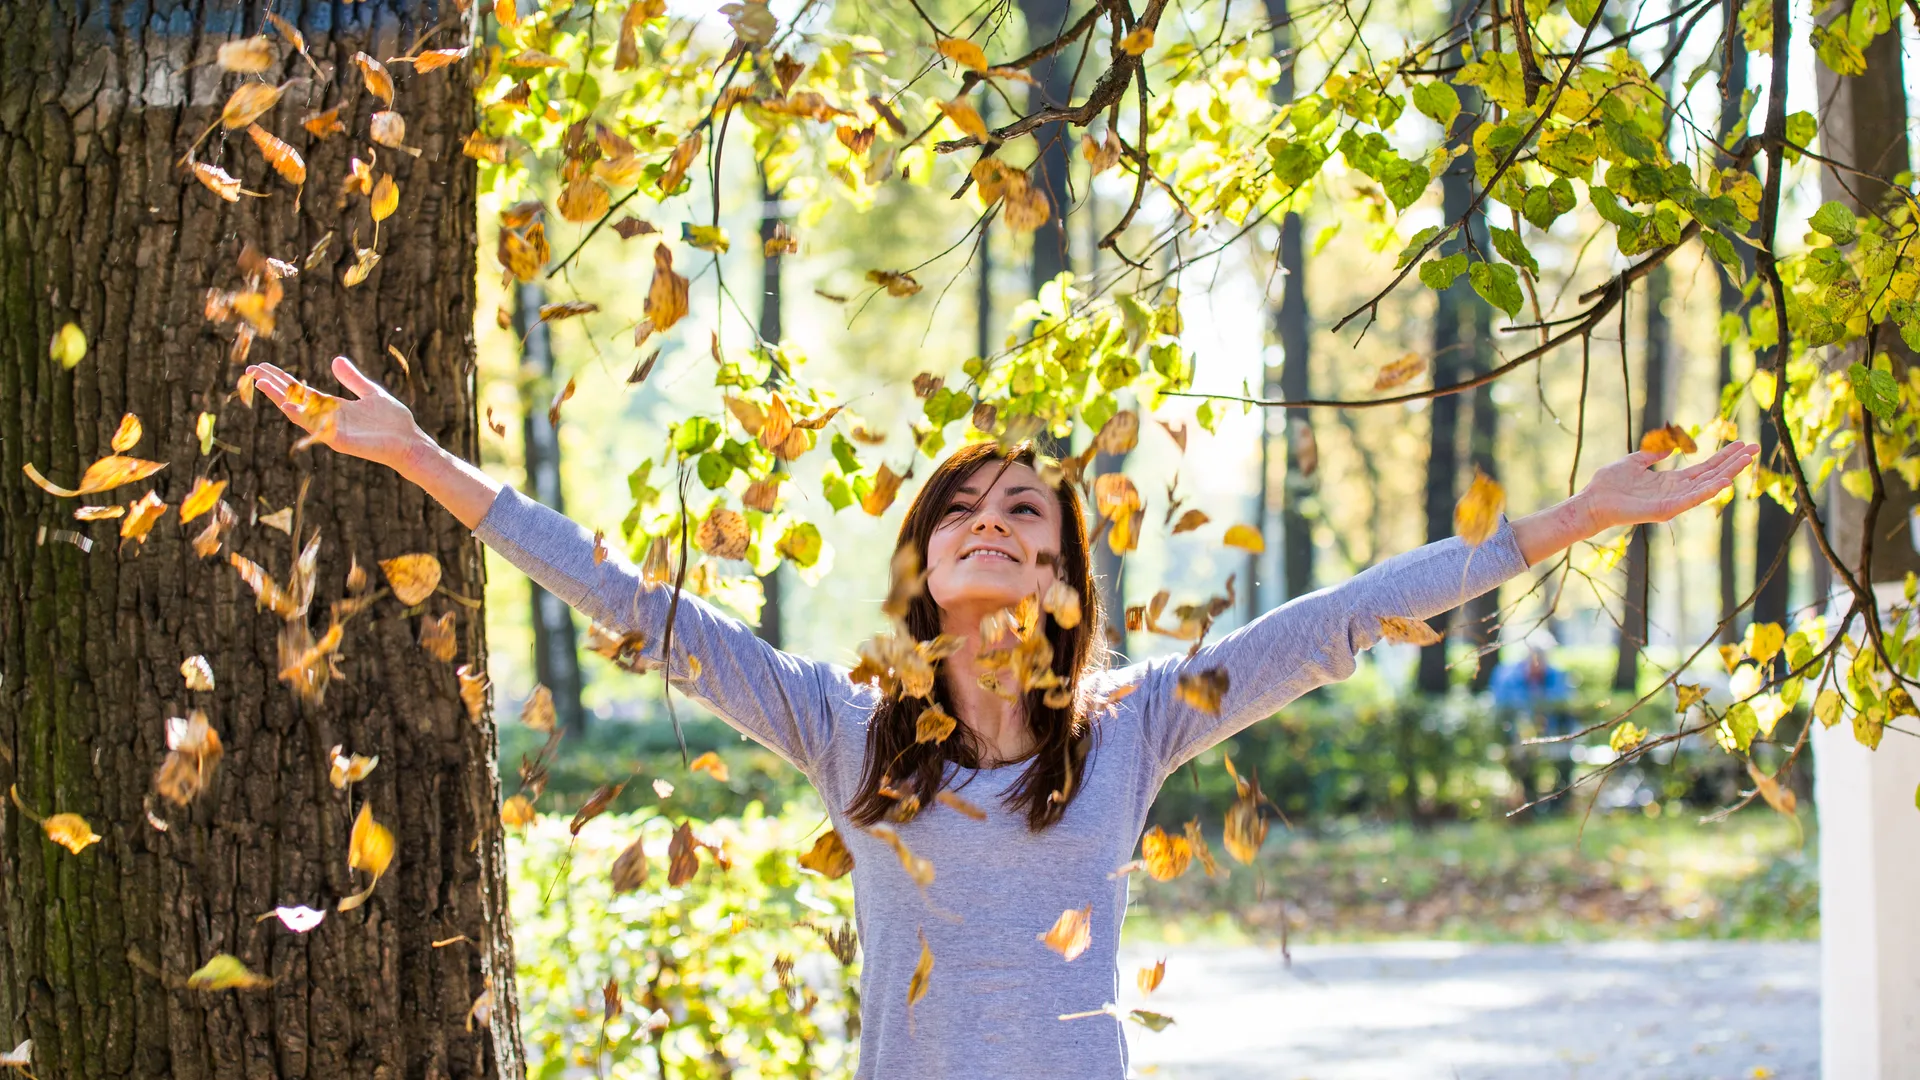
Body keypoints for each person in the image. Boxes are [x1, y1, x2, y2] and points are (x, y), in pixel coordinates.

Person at [246, 356, 1758, 1079]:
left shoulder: (1138, 728)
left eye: (1022, 516)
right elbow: (637, 609)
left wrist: (1560, 520)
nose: (988, 523)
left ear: (1056, 581)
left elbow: (1346, 617)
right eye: (959, 510)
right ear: (920, 566)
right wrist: (431, 462)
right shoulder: (850, 734)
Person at [1488, 636, 1576, 812]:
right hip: (1519, 736)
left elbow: (1566, 704)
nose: (1538, 664)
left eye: (1542, 658)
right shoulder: (1506, 676)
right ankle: (1530, 802)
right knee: (1521, 759)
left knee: (1565, 758)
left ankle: (1558, 803)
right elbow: (1500, 709)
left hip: (1553, 734)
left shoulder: (1557, 676)